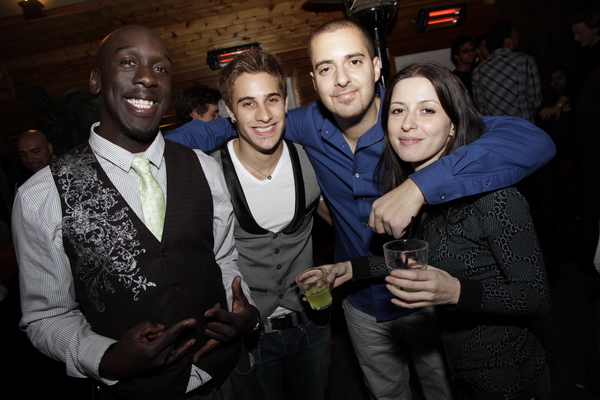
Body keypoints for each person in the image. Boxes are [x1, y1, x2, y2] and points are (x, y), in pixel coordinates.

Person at [164, 18, 556, 400]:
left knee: (444, 389)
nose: (342, 79)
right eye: (326, 68)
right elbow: (233, 125)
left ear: (376, 66)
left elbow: (529, 139)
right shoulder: (301, 123)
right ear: (313, 80)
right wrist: (145, 143)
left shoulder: (409, 122)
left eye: (353, 61)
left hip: (429, 297)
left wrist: (419, 186)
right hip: (359, 301)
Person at [12, 25, 262, 400]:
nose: (147, 77)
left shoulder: (204, 168)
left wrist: (247, 312)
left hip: (228, 375)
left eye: (161, 68)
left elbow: (223, 259)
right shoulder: (41, 195)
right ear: (96, 80)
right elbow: (46, 315)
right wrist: (106, 358)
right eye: (128, 62)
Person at [326, 62, 552, 400]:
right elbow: (420, 259)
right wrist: (350, 268)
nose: (407, 123)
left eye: (427, 110)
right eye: (398, 110)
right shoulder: (413, 194)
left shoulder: (494, 197)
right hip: (459, 373)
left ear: (453, 125)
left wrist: (456, 291)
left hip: (510, 381)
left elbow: (536, 297)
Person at [207, 47, 331, 400]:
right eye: (248, 103)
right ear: (230, 111)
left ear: (286, 101)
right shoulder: (209, 172)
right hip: (250, 337)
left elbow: (347, 221)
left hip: (311, 324)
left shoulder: (312, 160)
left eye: (272, 99)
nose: (263, 115)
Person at [472, 20, 542, 123]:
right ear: (507, 41)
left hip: (498, 128)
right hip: (524, 125)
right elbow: (535, 101)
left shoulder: (478, 71)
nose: (518, 36)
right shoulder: (525, 61)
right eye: (515, 34)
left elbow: (481, 107)